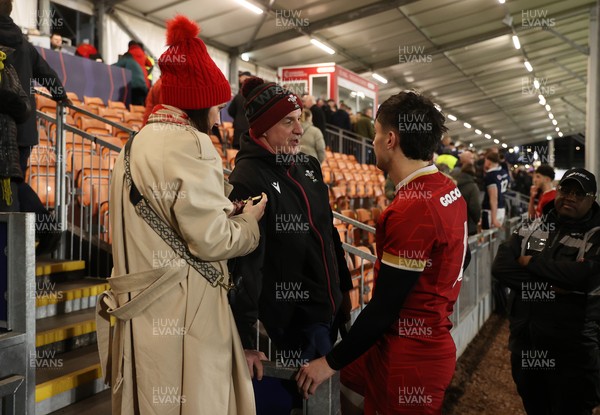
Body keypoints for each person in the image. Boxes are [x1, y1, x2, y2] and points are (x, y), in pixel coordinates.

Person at [97, 15, 267, 415]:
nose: (218, 118)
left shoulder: (131, 146)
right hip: (185, 312)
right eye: (216, 106)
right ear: (198, 102)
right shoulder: (192, 144)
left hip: (139, 312)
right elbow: (212, 241)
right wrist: (248, 223)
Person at [296, 91, 469, 415]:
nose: (373, 142)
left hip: (410, 356)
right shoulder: (447, 188)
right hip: (409, 341)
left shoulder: (412, 209)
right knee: (350, 383)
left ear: (390, 139)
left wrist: (328, 363)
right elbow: (464, 255)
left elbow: (385, 307)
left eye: (375, 134)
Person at [227, 77, 352, 406]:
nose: (299, 129)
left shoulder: (308, 166)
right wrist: (246, 339)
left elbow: (328, 231)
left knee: (324, 405)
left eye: (300, 119)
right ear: (265, 128)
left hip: (325, 314)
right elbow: (245, 263)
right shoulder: (248, 177)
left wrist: (344, 291)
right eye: (288, 122)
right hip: (284, 328)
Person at [492, 167, 600, 415]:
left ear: (592, 199)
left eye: (579, 194)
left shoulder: (596, 235)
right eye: (566, 190)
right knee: (535, 406)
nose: (570, 197)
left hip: (573, 353)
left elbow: (585, 275)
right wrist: (549, 287)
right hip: (527, 343)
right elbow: (502, 267)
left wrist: (532, 264)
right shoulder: (534, 227)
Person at [0, 45, 31, 212]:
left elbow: (25, 107)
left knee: (7, 221)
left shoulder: (8, 69)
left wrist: (10, 102)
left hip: (7, 162)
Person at [481, 151, 509, 230]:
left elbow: (493, 197)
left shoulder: (491, 175)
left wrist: (493, 218)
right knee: (496, 238)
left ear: (488, 161)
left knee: (487, 239)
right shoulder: (503, 172)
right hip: (501, 208)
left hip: (491, 211)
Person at [227, 70, 252, 149]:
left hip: (239, 129)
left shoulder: (238, 97)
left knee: (237, 153)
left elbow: (230, 110)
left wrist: (237, 117)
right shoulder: (255, 97)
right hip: (251, 129)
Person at [456, 163, 481, 235]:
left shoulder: (453, 182)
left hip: (454, 222)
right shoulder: (472, 187)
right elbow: (474, 206)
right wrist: (477, 220)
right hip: (468, 224)